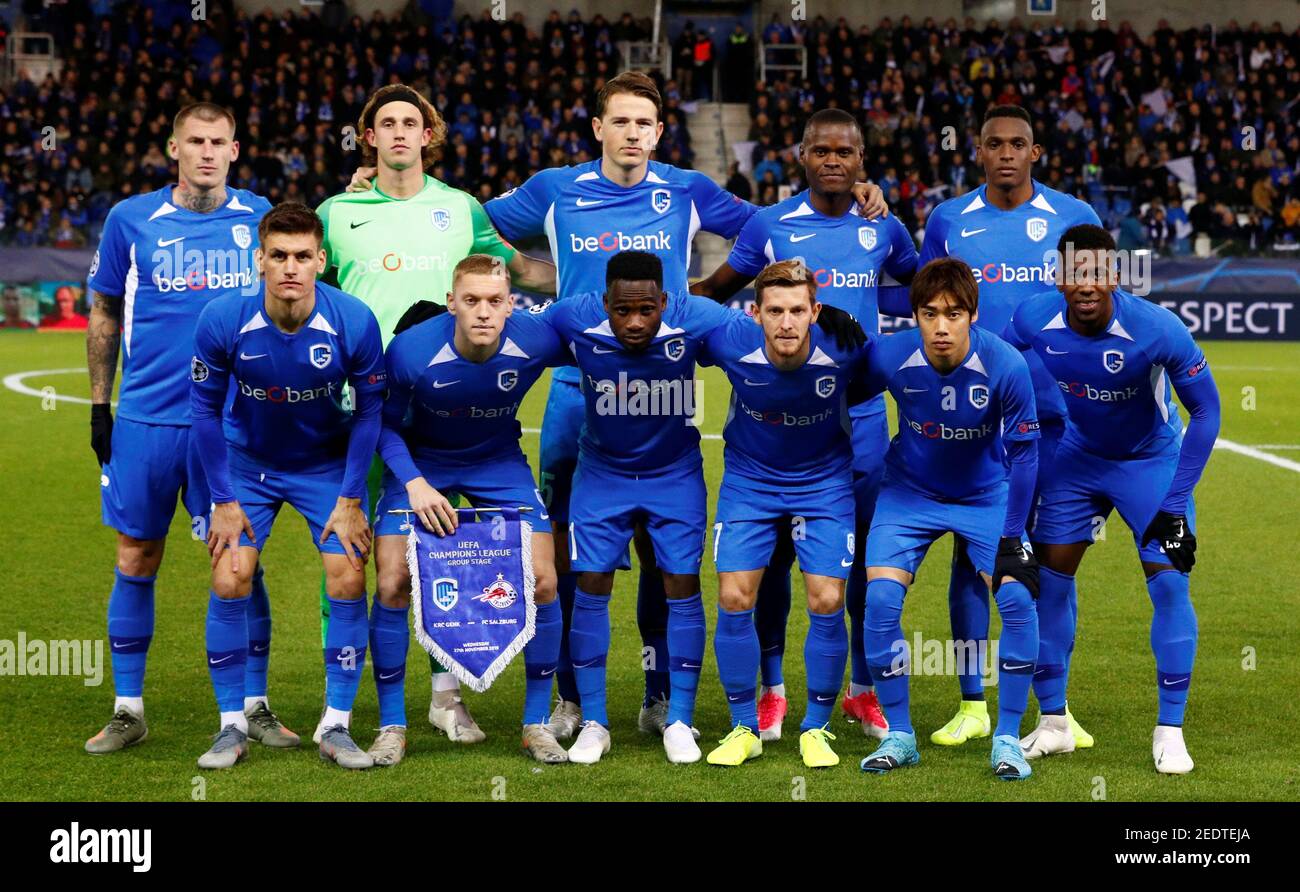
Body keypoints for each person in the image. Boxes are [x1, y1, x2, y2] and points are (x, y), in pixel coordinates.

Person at [317, 83, 556, 745]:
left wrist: (589, 277)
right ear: (368, 137)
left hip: (460, 414)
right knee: (355, 561)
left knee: (451, 560)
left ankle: (444, 698)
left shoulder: (460, 208)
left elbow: (511, 269)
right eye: (385, 123)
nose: (398, 132)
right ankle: (342, 703)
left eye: (410, 123)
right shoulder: (337, 212)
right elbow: (310, 292)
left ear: (428, 136)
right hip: (365, 409)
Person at [693, 107, 915, 742]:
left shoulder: (884, 226)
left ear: (862, 158)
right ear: (802, 155)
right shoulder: (769, 225)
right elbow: (720, 286)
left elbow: (917, 288)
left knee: (861, 565)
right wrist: (666, 306)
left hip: (861, 420)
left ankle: (863, 691)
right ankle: (772, 690)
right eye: (822, 151)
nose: (834, 161)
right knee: (774, 562)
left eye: (846, 152)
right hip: (779, 426)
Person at [83, 103, 290, 755]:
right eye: (194, 141)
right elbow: (104, 308)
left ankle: (253, 705)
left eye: (218, 142)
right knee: (136, 557)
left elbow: (305, 267)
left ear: (236, 149)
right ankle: (127, 709)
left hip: (232, 428)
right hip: (147, 420)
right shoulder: (131, 219)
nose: (206, 151)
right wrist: (98, 404)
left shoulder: (258, 217)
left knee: (239, 565)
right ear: (173, 148)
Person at [917, 104, 1101, 749]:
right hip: (971, 421)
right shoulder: (948, 220)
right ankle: (973, 704)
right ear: (978, 150)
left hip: (1057, 418)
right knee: (972, 561)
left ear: (1036, 152)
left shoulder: (1075, 219)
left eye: (1017, 144)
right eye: (993, 143)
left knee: (1053, 562)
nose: (1005, 153)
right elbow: (923, 297)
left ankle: (1057, 707)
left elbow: (1100, 310)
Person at [1004, 225, 1219, 774]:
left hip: (1150, 463)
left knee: (1170, 581)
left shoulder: (1155, 328)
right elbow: (998, 361)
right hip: (1077, 461)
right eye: (1076, 273)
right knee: (1048, 584)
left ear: (1115, 275)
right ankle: (1054, 724)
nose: (1087, 284)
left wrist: (1175, 504)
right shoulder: (1034, 317)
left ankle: (1169, 730)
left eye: (1098, 272)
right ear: (1059, 277)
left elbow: (1208, 413)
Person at [189, 202, 385, 770]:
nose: (291, 268)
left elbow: (371, 413)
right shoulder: (223, 318)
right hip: (247, 467)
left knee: (348, 575)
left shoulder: (354, 320)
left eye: (303, 256)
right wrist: (223, 500)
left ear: (321, 260)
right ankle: (232, 725)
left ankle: (337, 725)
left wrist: (351, 498)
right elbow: (203, 411)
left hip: (325, 467)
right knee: (231, 576)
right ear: (260, 261)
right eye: (279, 256)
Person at [370, 254, 571, 765]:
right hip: (423, 465)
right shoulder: (412, 351)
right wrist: (413, 484)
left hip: (497, 462)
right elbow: (382, 424)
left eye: (495, 302)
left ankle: (535, 723)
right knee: (393, 580)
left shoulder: (537, 339)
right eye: (472, 301)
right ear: (451, 304)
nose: (484, 312)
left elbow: (598, 337)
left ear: (511, 305)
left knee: (544, 580)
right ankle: (393, 725)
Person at [858, 257, 1042, 781]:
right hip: (908, 493)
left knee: (1016, 597)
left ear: (973, 315)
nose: (941, 326)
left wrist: (1012, 536)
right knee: (880, 599)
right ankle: (899, 735)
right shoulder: (890, 355)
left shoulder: (1005, 364)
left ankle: (1006, 738)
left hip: (985, 495)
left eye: (954, 314)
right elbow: (838, 392)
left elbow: (1026, 456)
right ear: (913, 315)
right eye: (929, 313)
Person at [698, 259, 864, 769]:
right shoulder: (729, 341)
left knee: (827, 597)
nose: (786, 323)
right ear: (755, 313)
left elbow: (908, 369)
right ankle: (743, 726)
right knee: (732, 594)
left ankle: (816, 728)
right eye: (775, 311)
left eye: (797, 310)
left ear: (816, 311)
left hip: (824, 483)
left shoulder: (845, 347)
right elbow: (673, 314)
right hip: (751, 481)